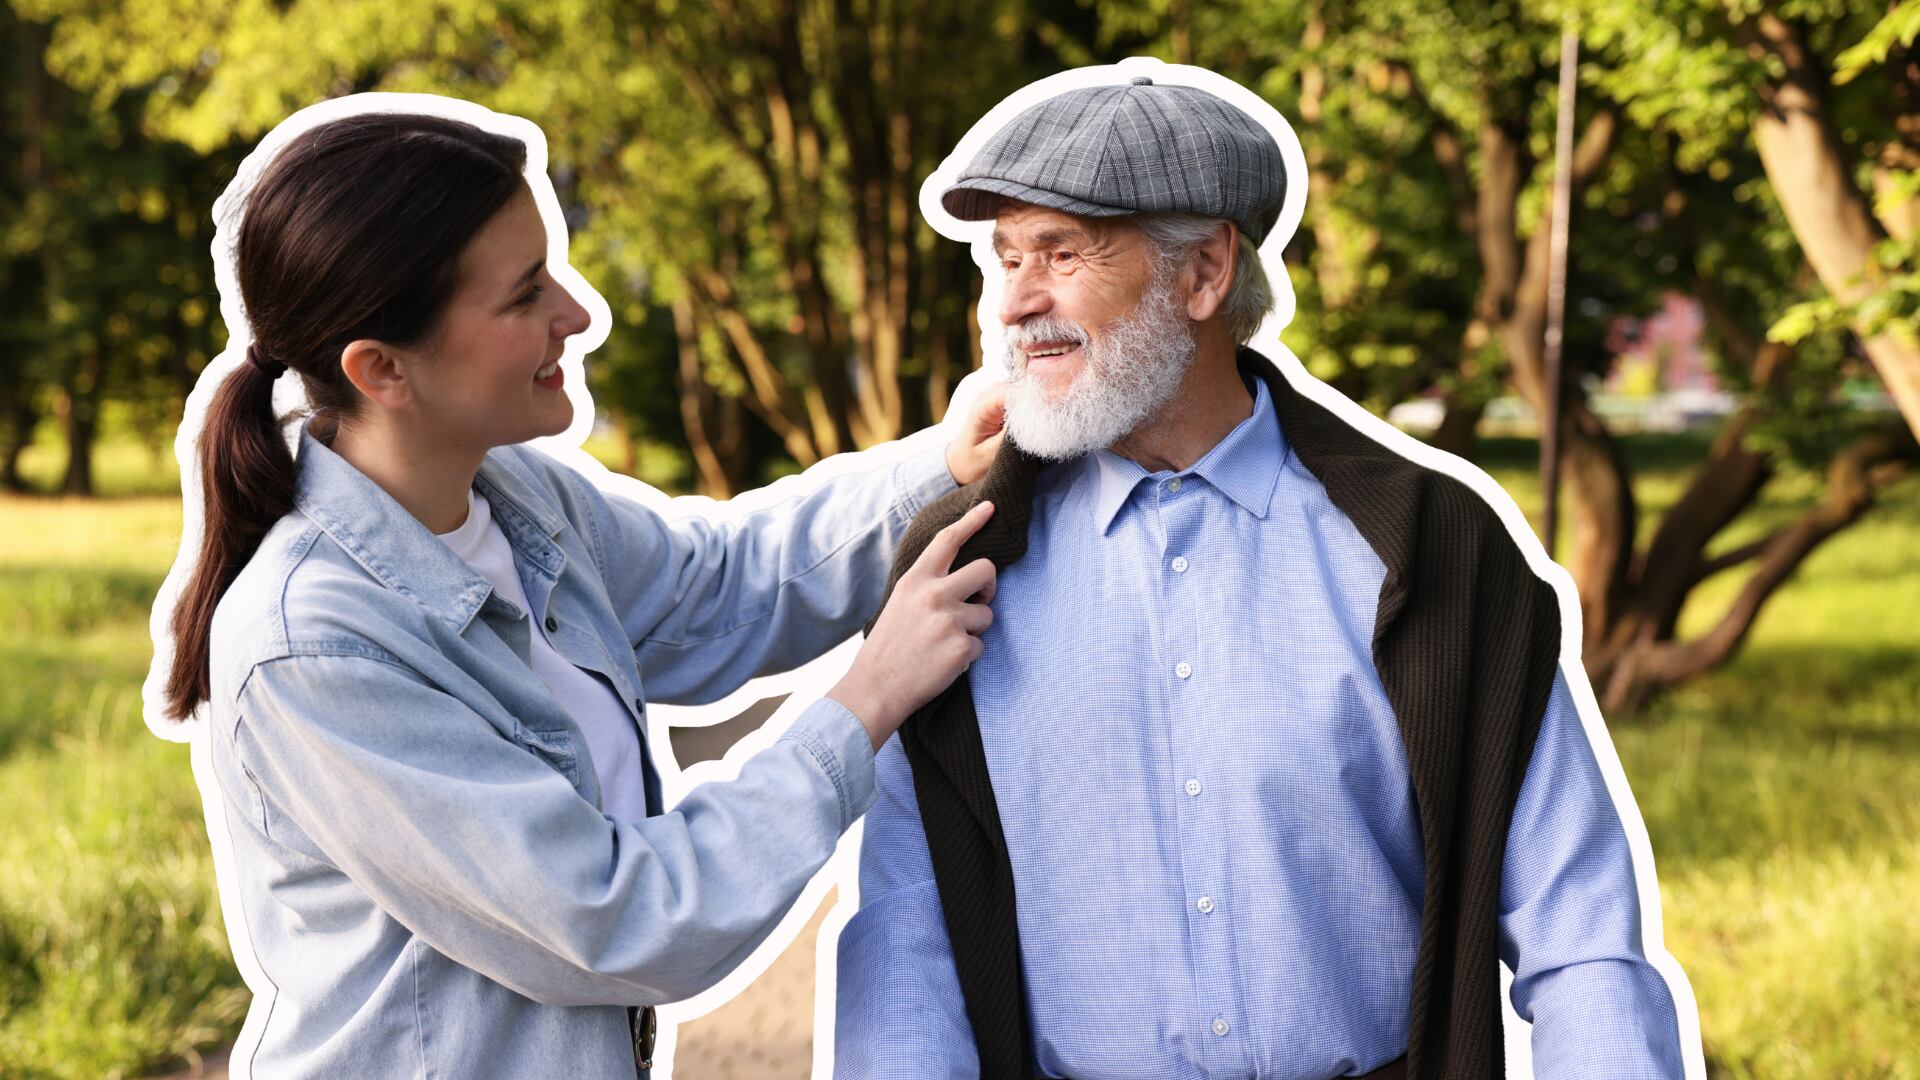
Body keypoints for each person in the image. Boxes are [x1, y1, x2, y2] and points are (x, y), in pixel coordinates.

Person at [835, 68, 1695, 1079]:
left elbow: (1578, 932)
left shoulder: (1436, 551)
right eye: (1007, 256)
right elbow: (909, 938)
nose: (1016, 301)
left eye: (1062, 254)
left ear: (1205, 272)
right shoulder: (960, 567)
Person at [161, 108, 1006, 1078]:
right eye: (525, 296)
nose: (579, 311)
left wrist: (943, 461)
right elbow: (618, 920)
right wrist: (864, 705)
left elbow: (718, 584)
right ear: (382, 368)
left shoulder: (515, 495)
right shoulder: (314, 647)